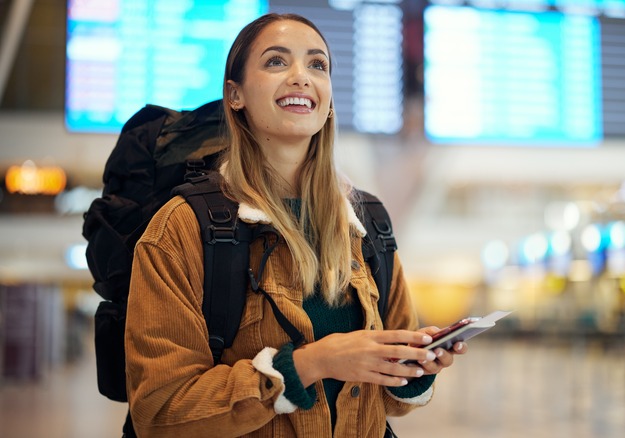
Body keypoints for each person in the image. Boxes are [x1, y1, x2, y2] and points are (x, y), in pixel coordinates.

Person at [125, 13, 467, 438]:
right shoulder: (183, 228)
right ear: (235, 95)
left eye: (317, 65)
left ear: (328, 100)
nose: (301, 77)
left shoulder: (366, 222)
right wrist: (310, 364)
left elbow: (390, 400)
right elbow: (159, 412)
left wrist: (417, 365)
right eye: (275, 62)